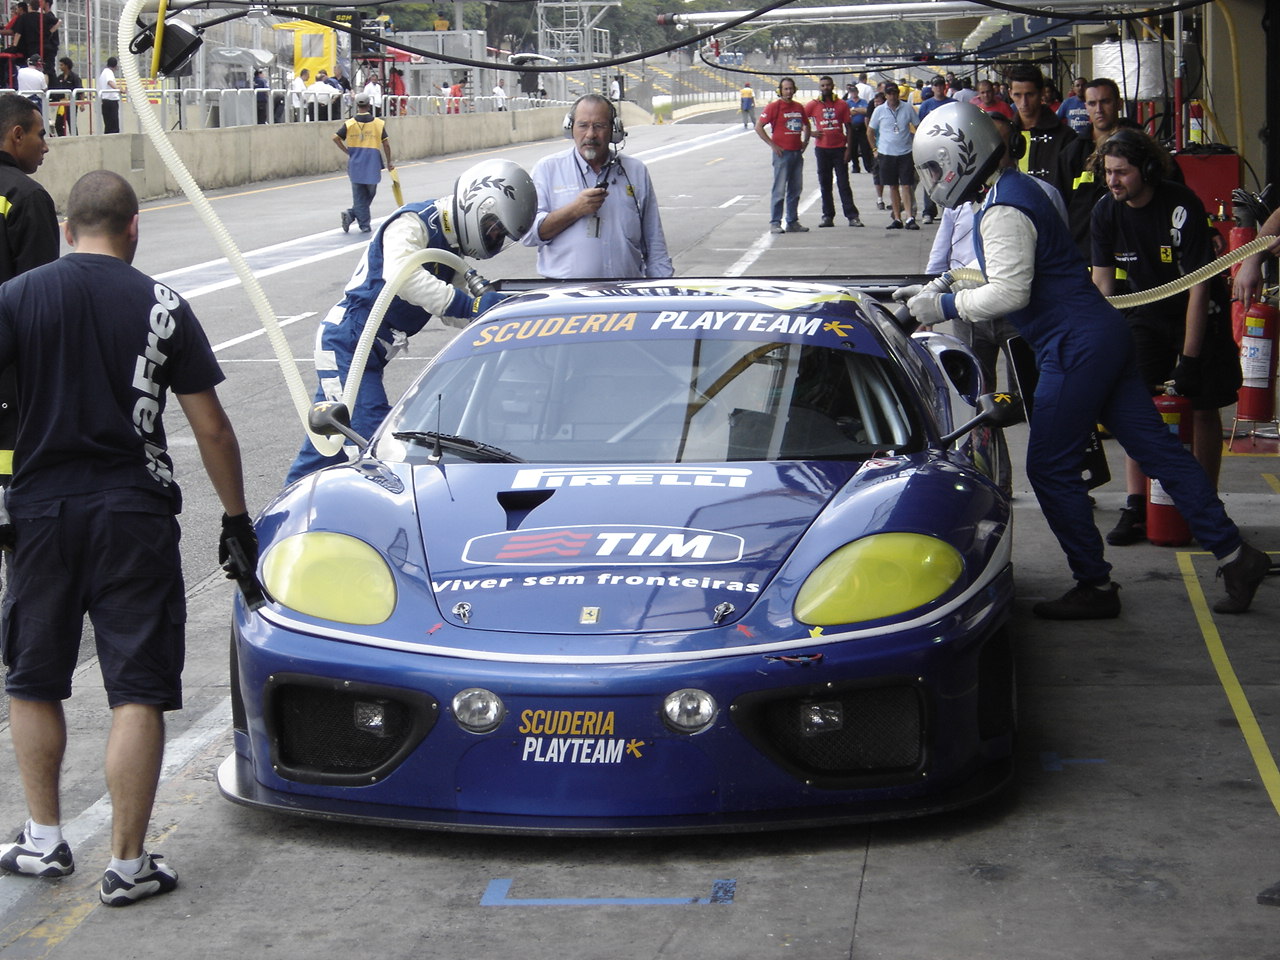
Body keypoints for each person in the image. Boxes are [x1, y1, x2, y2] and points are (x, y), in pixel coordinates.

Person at [906, 102, 1270, 618]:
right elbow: (1010, 269)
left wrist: (942, 306)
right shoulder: (1015, 189)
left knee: (1050, 468)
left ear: (958, 157)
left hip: (1074, 346)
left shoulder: (1003, 207)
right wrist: (940, 285)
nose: (934, 179)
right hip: (1098, 336)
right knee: (1158, 452)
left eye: (934, 166)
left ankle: (1094, 585)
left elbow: (1008, 292)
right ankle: (1235, 555)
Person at [0, 168, 254, 906]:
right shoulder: (163, 304)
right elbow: (212, 428)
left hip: (39, 513)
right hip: (134, 515)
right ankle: (127, 863)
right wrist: (235, 520)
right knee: (136, 688)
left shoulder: (16, 297)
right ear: (134, 226)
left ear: (65, 228)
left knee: (32, 678)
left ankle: (43, 838)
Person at [286, 159, 535, 482]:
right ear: (479, 204)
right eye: (494, 229)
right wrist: (471, 306)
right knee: (374, 443)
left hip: (368, 348)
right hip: (349, 340)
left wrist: (503, 316)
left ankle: (285, 506)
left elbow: (455, 309)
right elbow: (404, 278)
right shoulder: (414, 222)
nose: (494, 238)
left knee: (325, 446)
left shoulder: (449, 249)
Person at [1090, 128, 1241, 544]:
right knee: (1133, 404)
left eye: (1122, 172)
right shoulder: (1105, 211)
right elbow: (1102, 286)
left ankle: (1205, 505)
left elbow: (1199, 287)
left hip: (1199, 309)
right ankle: (1137, 505)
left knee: (1203, 406)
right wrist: (1095, 342)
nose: (1113, 181)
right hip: (1148, 310)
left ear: (1147, 170)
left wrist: (1189, 359)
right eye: (1108, 172)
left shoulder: (1181, 205)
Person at [522, 94, 673, 278]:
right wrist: (575, 210)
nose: (590, 134)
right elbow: (528, 235)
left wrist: (663, 286)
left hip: (624, 291)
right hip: (565, 293)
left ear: (614, 130)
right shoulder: (547, 169)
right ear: (570, 128)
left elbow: (654, 241)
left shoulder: (635, 170)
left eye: (599, 126)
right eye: (583, 125)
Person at [0, 93, 58, 559]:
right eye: (41, 134)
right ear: (16, 135)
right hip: (12, 394)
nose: (46, 145)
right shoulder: (26, 197)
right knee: (21, 539)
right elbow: (39, 305)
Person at [1059, 77, 1138, 258]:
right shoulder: (1072, 153)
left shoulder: (1141, 146)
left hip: (1134, 248)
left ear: (1119, 104)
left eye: (1105, 102)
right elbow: (1061, 205)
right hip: (1086, 253)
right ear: (1085, 107)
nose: (1099, 110)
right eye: (1092, 103)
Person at [1008, 62, 1075, 199]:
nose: (1024, 102)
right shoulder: (1005, 135)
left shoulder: (1066, 137)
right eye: (1018, 95)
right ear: (1010, 94)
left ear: (1042, 92)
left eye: (1030, 94)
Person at [805, 75, 862, 228]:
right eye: (823, 85)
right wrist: (811, 133)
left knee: (843, 184)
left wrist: (849, 150)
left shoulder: (841, 104)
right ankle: (828, 216)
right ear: (820, 87)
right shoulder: (813, 104)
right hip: (822, 150)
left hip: (839, 149)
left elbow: (849, 128)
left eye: (828, 85)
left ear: (832, 86)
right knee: (825, 184)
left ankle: (852, 216)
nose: (826, 88)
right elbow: (800, 120)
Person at [756, 77, 810, 234]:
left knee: (795, 189)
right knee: (779, 190)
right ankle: (775, 222)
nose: (789, 91)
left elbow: (807, 124)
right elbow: (759, 127)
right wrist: (772, 144)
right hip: (782, 154)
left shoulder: (799, 107)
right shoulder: (774, 107)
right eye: (785, 89)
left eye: (791, 88)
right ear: (780, 91)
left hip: (796, 153)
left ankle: (792, 221)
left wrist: (805, 142)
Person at [335, 92, 392, 234]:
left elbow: (336, 138)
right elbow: (386, 144)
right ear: (369, 105)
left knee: (359, 195)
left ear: (357, 105)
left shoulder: (349, 124)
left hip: (355, 164)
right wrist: (389, 162)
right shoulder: (378, 123)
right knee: (369, 193)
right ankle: (364, 225)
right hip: (372, 163)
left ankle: (352, 214)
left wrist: (347, 151)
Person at [867, 79, 920, 230]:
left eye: (895, 93)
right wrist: (875, 150)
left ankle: (909, 217)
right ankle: (897, 218)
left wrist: (917, 146)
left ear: (898, 94)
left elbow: (918, 126)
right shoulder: (879, 110)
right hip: (886, 153)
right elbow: (870, 131)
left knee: (907, 185)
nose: (892, 96)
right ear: (885, 95)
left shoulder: (907, 108)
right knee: (893, 186)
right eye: (889, 94)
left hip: (905, 152)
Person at [916, 76, 955, 225]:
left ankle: (949, 209)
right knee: (931, 179)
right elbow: (921, 125)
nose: (938, 88)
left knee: (950, 177)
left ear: (944, 87)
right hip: (931, 145)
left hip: (949, 145)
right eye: (936, 85)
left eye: (941, 85)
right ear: (932, 88)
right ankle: (929, 211)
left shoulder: (952, 103)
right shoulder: (926, 105)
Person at [844, 82, 874, 174]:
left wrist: (854, 110)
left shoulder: (863, 101)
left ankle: (868, 166)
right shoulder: (847, 102)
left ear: (857, 92)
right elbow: (847, 113)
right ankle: (855, 167)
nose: (853, 93)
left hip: (862, 127)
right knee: (853, 148)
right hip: (852, 127)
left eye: (855, 92)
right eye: (852, 92)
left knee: (865, 148)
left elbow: (866, 110)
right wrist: (858, 110)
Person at [48, 55, 78, 136]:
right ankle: (62, 138)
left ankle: (75, 138)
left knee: (71, 122)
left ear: (66, 66)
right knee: (58, 123)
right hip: (62, 104)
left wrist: (81, 104)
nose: (60, 67)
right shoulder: (60, 77)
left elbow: (79, 90)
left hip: (71, 104)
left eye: (61, 65)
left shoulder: (74, 77)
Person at [98, 55, 120, 133]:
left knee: (108, 125)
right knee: (114, 125)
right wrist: (119, 89)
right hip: (111, 101)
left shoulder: (103, 73)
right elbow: (110, 82)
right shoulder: (109, 72)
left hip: (105, 101)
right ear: (115, 66)